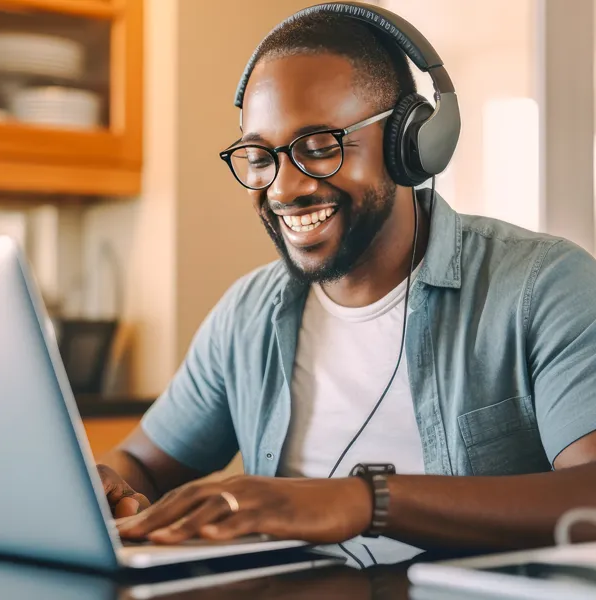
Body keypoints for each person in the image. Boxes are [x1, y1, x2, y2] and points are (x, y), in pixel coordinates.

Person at [98, 5, 596, 568]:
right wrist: (109, 487)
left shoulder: (544, 286)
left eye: (319, 147)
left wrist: (365, 501)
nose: (284, 188)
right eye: (260, 157)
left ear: (411, 144)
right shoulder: (249, 313)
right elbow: (142, 461)